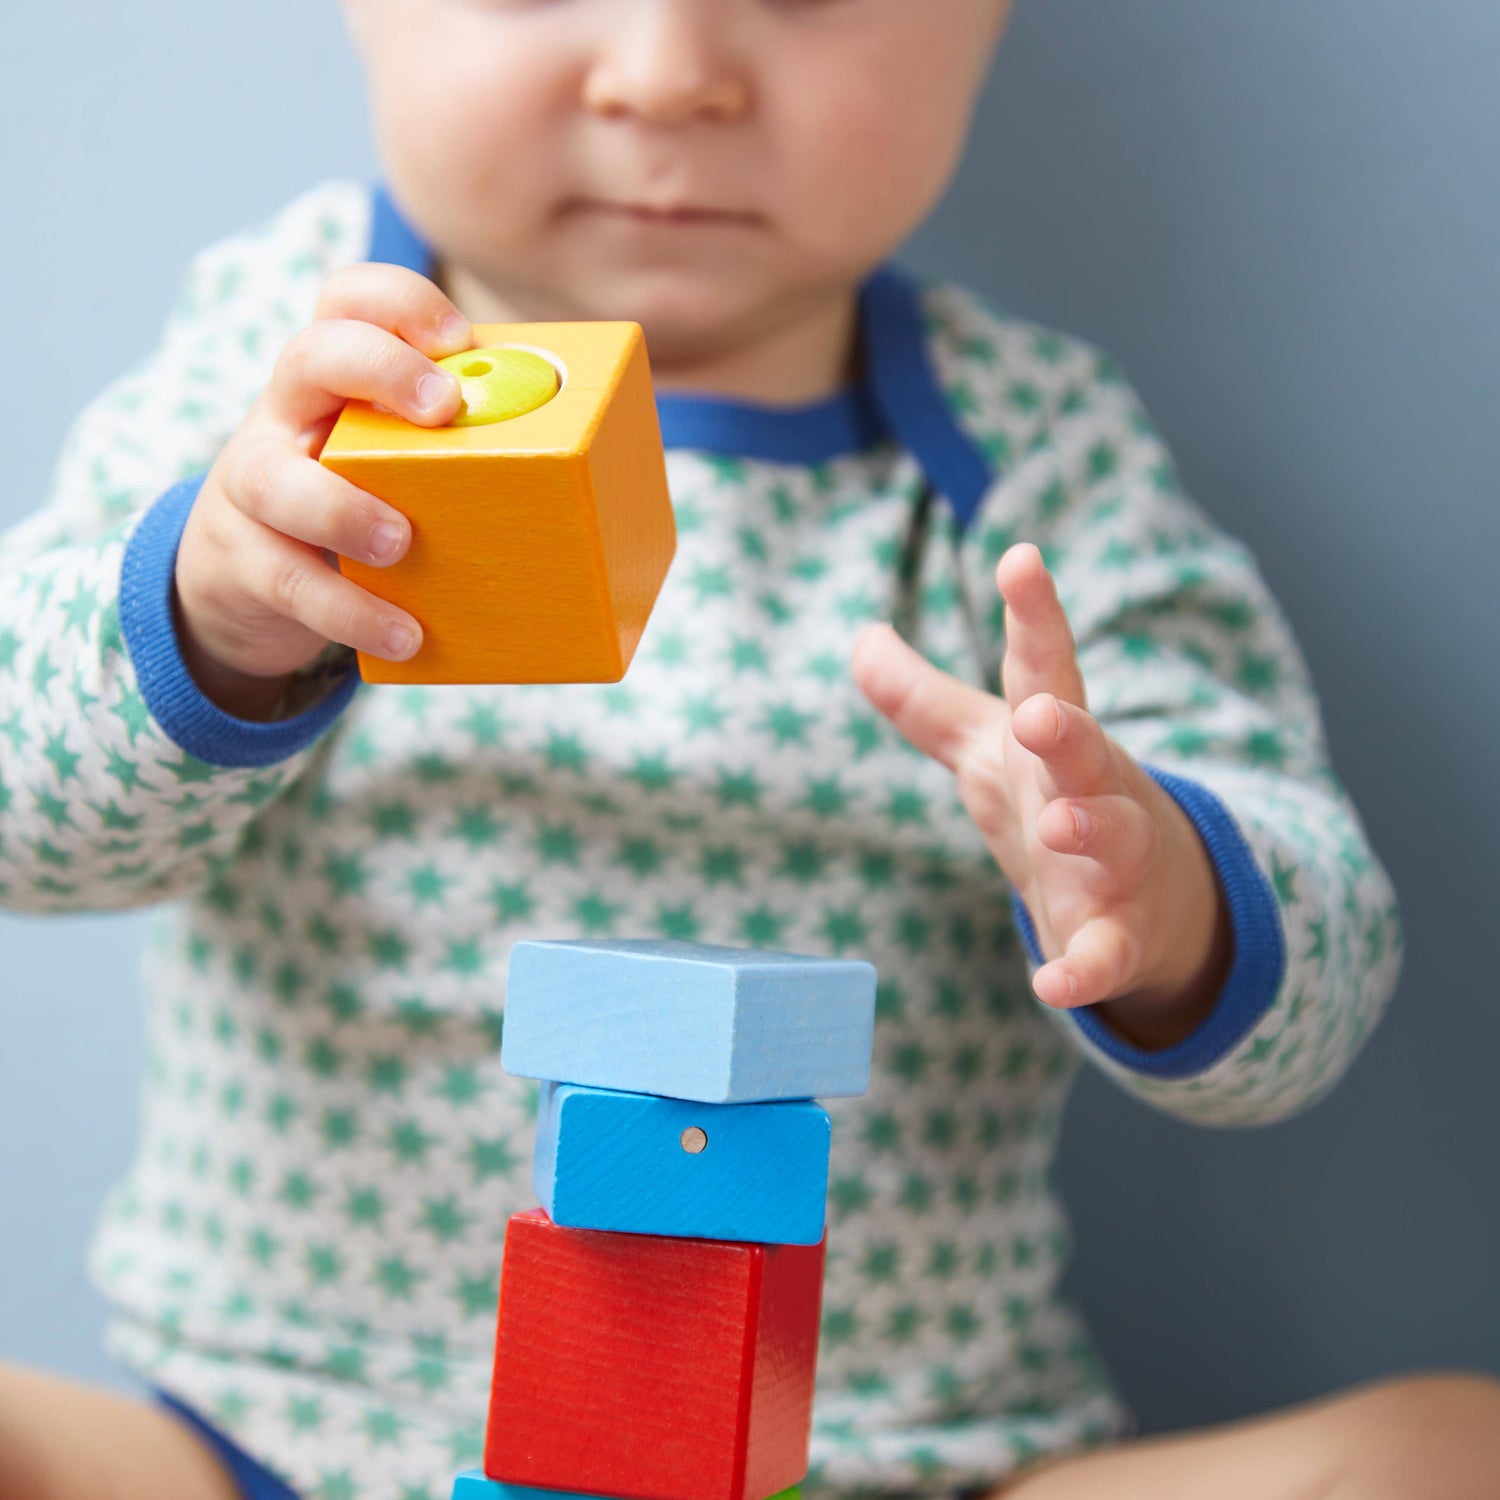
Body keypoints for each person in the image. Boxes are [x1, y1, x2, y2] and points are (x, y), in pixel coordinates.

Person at [2, 2, 1497, 1497]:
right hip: (277, 1439)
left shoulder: (1034, 451)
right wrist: (206, 620)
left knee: (1449, 1452)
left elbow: (1329, 967)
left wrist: (1160, 887)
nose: (665, 77)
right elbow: (22, 821)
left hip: (891, 1456)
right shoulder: (282, 376)